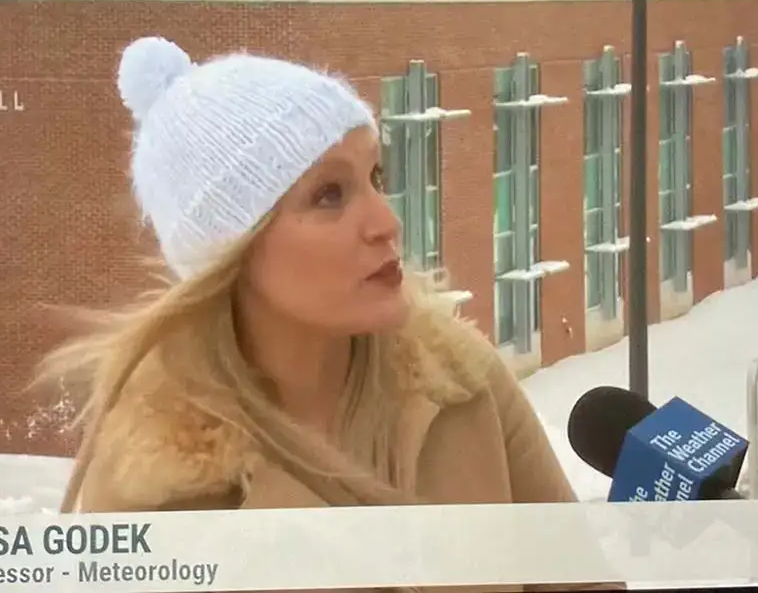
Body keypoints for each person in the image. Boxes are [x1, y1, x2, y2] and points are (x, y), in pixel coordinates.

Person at [33, 37, 622, 592]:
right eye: (329, 195)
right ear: (232, 253)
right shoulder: (151, 487)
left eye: (374, 177)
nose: (387, 222)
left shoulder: (463, 382)